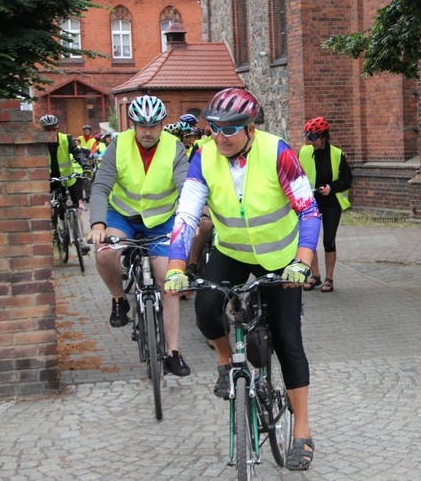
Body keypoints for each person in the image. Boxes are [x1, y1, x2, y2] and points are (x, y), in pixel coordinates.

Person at [163, 88, 320, 471]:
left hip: (279, 258)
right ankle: (223, 360)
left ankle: (302, 429)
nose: (220, 136)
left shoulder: (277, 152)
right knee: (205, 310)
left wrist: (301, 262)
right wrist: (175, 268)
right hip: (232, 252)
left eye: (230, 129)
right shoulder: (204, 156)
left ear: (250, 127)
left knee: (287, 340)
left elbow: (309, 210)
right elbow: (186, 217)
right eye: (214, 128)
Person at [87, 95, 191, 377]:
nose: (147, 132)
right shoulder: (118, 145)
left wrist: (192, 216)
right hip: (123, 216)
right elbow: (100, 187)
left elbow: (185, 187)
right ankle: (119, 299)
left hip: (161, 220)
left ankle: (173, 352)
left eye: (154, 126)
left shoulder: (174, 147)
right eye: (141, 125)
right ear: (131, 123)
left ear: (162, 124)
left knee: (168, 281)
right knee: (106, 252)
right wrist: (97, 224)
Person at [298, 117, 353, 293]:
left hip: (331, 203)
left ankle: (329, 278)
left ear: (323, 136)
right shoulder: (304, 152)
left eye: (313, 137)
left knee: (328, 240)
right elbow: (297, 175)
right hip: (310, 202)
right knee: (310, 240)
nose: (310, 141)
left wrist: (331, 187)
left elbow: (347, 180)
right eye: (308, 137)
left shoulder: (337, 154)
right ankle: (315, 275)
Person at [40, 114, 91, 254]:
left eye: (54, 129)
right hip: (49, 181)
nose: (52, 132)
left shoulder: (65, 139)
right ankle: (53, 230)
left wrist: (86, 166)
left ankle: (80, 240)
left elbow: (78, 153)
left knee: (74, 209)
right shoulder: (39, 142)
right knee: (49, 208)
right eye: (48, 130)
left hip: (68, 180)